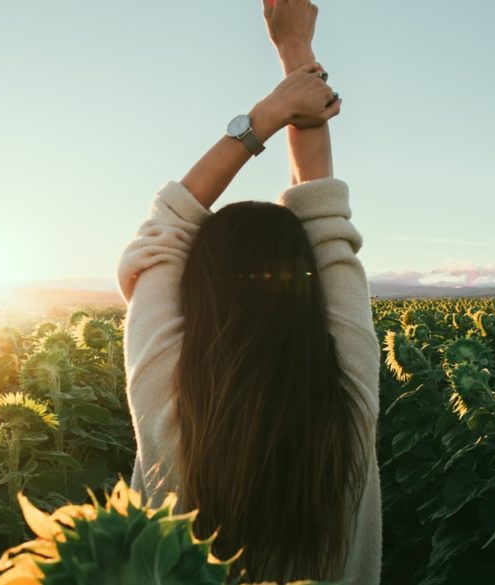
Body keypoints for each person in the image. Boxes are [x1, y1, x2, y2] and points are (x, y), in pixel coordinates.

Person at [116, 1, 381, 583]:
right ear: (309, 288)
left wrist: (269, 113)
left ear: (196, 292)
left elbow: (167, 223)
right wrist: (296, 57)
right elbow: (324, 212)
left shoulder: (166, 405)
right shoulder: (351, 396)